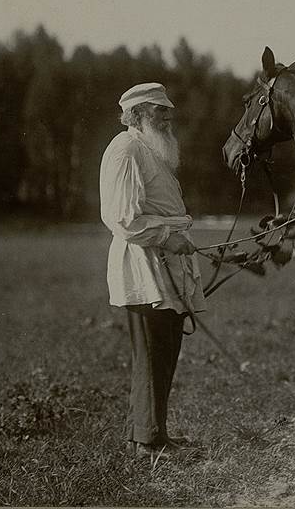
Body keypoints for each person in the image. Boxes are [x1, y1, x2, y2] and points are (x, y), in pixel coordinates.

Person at [99, 82, 205, 459]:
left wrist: (176, 238)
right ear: (138, 114)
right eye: (160, 110)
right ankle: (148, 442)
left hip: (165, 261)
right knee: (152, 352)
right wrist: (167, 237)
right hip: (144, 264)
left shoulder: (150, 149)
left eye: (167, 109)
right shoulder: (125, 150)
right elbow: (123, 218)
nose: (169, 115)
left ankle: (149, 434)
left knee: (165, 350)